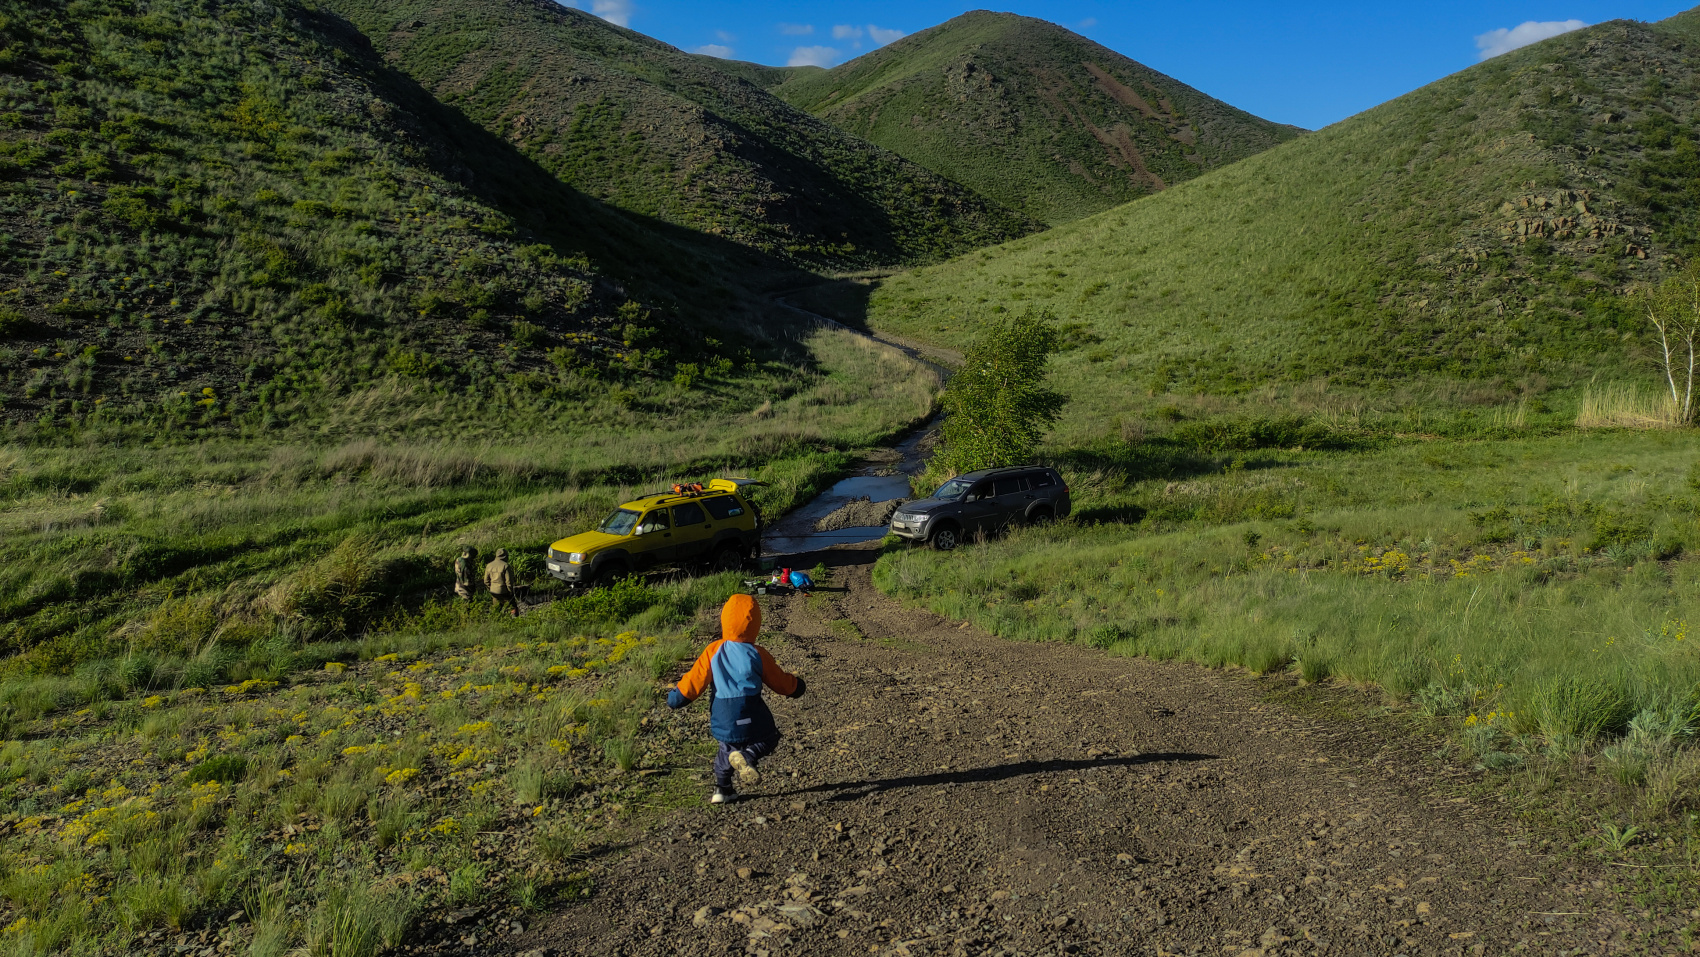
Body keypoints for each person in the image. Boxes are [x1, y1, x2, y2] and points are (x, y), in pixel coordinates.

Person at [667, 593, 806, 804]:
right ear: (755, 624)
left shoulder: (713, 650)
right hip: (750, 709)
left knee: (727, 750)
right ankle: (749, 755)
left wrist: (677, 697)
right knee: (769, 737)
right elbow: (778, 680)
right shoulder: (757, 653)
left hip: (723, 713)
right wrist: (795, 687)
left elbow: (694, 680)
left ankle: (722, 790)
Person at [484, 548, 521, 617]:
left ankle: (497, 620)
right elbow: (509, 582)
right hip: (503, 590)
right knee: (512, 606)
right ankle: (514, 619)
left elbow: (486, 581)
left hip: (493, 591)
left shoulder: (489, 565)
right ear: (505, 556)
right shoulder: (505, 566)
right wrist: (510, 591)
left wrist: (490, 588)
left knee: (496, 608)